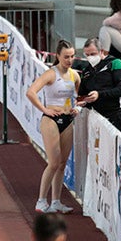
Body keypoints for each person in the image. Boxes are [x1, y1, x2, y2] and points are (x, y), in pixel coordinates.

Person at [26, 41, 83, 214]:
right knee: (53, 162)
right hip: (51, 120)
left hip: (67, 119)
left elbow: (79, 97)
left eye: (72, 56)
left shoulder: (75, 76)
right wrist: (45, 109)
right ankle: (41, 201)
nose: (70, 60)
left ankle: (56, 201)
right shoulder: (51, 74)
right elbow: (31, 92)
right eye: (66, 57)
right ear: (57, 56)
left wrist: (78, 108)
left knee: (62, 163)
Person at [77, 38, 121, 133]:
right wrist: (83, 101)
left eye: (93, 54)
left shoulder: (116, 63)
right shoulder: (86, 71)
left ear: (101, 51)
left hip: (115, 115)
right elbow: (83, 93)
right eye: (87, 55)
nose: (90, 57)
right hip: (96, 116)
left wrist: (99, 94)